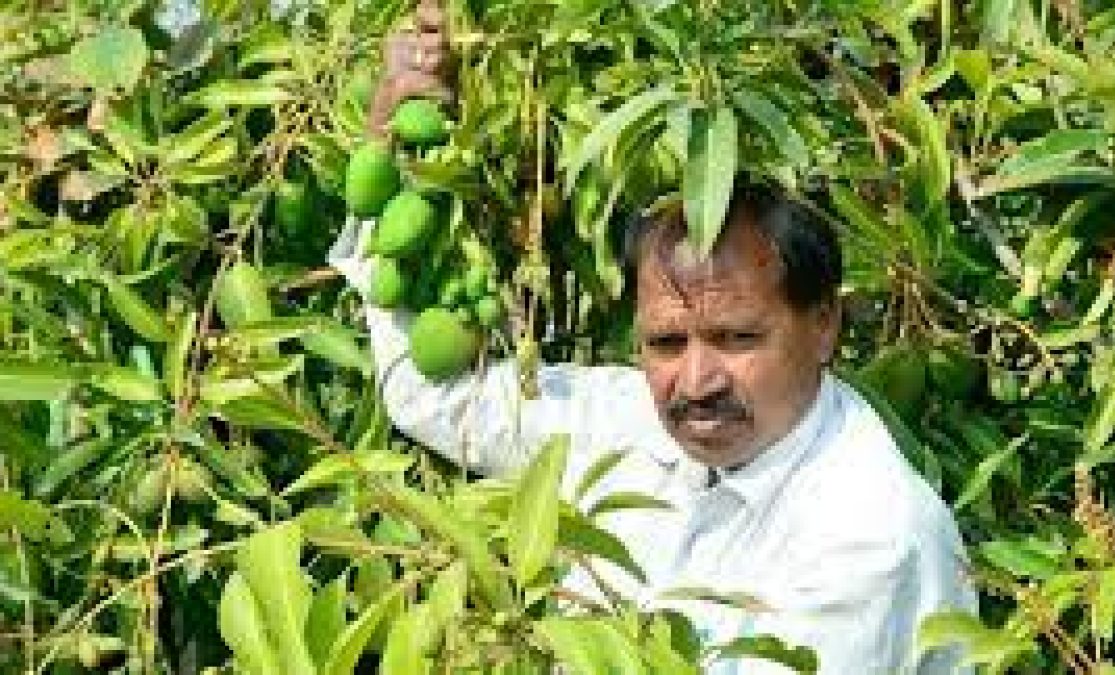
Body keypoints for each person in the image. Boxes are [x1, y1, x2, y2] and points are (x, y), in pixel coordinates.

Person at [330, 3, 977, 672]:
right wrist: (395, 138)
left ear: (822, 326)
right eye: (666, 343)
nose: (696, 381)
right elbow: (436, 399)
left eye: (736, 337)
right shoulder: (621, 421)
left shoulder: (869, 535)